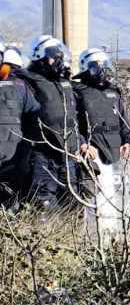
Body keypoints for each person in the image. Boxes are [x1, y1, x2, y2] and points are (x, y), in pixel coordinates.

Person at [17, 36, 83, 207]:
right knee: (43, 204)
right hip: (41, 155)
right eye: (54, 55)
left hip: (69, 156)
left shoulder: (63, 84)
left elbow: (72, 119)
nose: (59, 60)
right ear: (39, 56)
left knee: (73, 203)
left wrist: (82, 142)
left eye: (60, 55)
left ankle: (69, 234)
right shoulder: (27, 81)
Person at [74, 48, 130, 172]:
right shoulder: (77, 92)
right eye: (96, 67)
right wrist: (82, 143)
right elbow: (71, 123)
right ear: (86, 68)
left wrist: (128, 142)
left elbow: (124, 122)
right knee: (92, 190)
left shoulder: (113, 91)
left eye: (104, 66)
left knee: (120, 191)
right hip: (91, 153)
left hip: (118, 154)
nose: (101, 71)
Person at [0, 44, 39, 208]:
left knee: (9, 205)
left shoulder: (19, 86)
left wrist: (28, 152)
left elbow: (35, 116)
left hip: (11, 161)